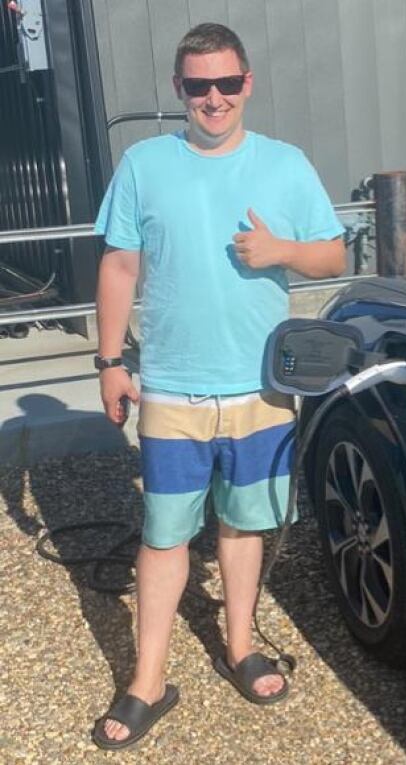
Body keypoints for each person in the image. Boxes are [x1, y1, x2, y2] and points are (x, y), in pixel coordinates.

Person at [91, 22, 345, 749]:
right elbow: (117, 268)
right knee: (164, 533)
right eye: (198, 85)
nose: (213, 98)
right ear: (179, 90)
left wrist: (282, 251)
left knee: (243, 523)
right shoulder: (144, 164)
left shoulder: (286, 164)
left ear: (247, 84)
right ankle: (148, 679)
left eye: (226, 83)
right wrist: (112, 362)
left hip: (260, 388)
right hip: (170, 387)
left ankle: (240, 645)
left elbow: (332, 253)